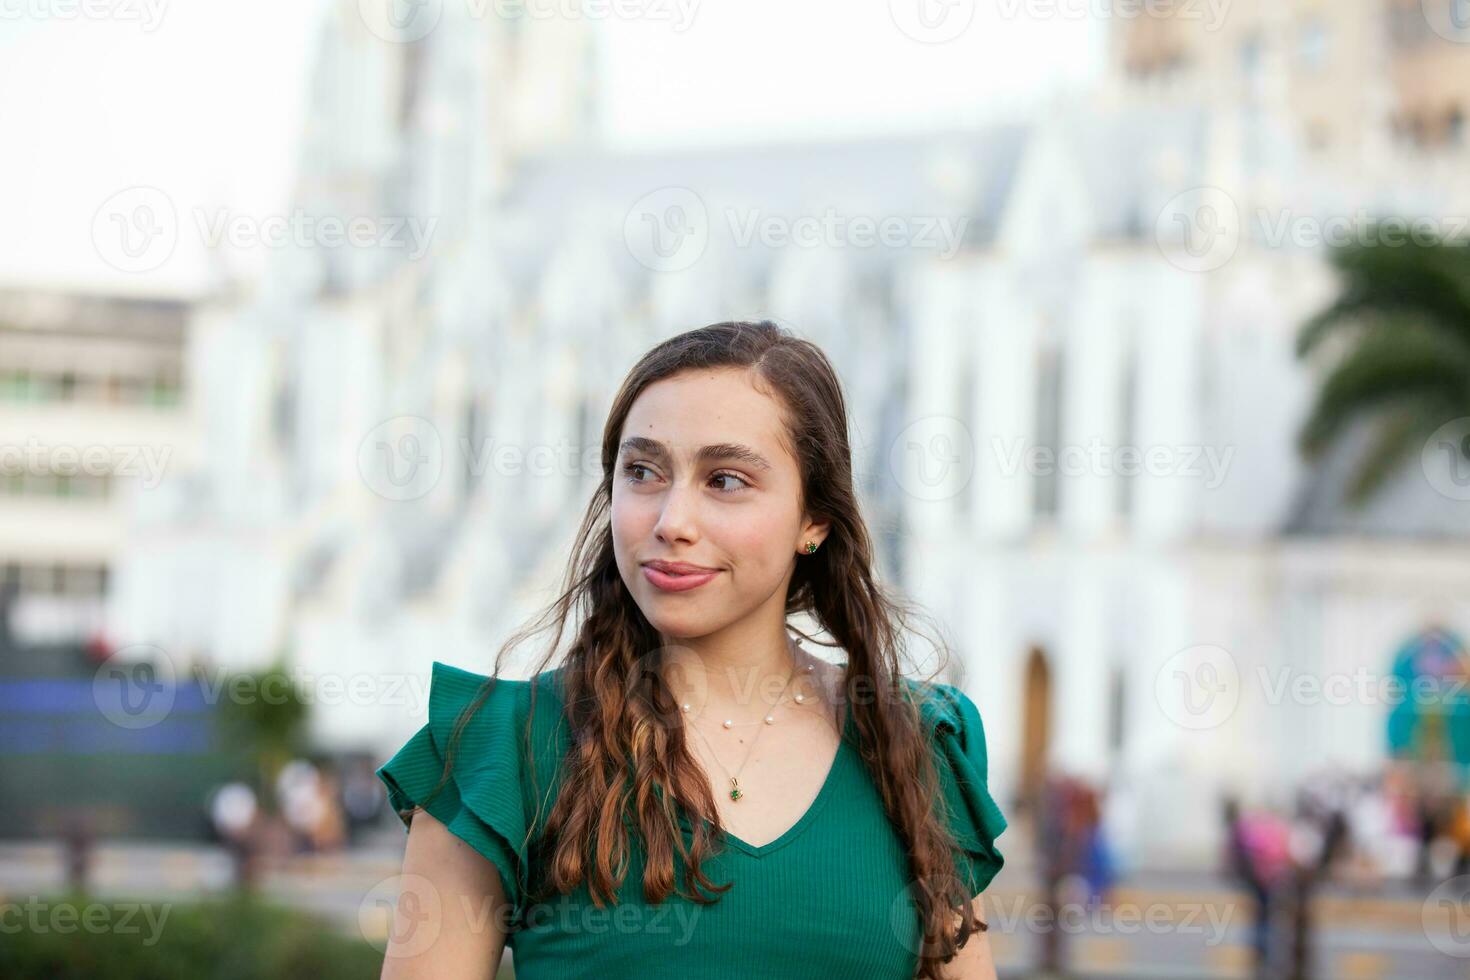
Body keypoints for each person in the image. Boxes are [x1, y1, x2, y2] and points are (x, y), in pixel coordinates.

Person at [376, 321, 1008, 979]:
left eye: (725, 480)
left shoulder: (917, 745)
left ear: (814, 519)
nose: (671, 521)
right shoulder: (499, 751)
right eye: (643, 471)